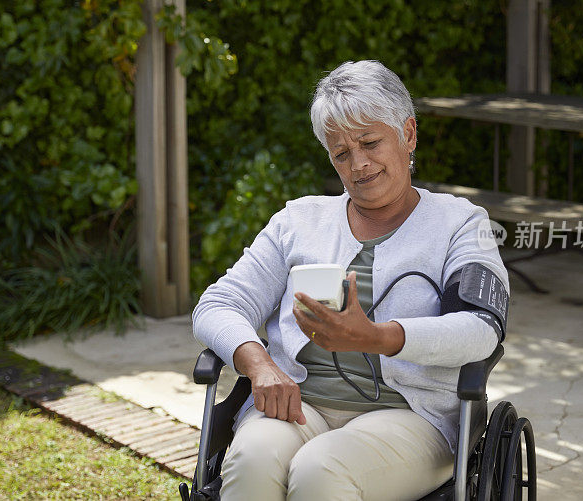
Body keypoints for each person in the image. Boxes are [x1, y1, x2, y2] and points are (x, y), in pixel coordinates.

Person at [193, 60, 509, 501]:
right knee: (251, 461)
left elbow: (480, 329)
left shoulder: (461, 225)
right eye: (341, 152)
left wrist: (379, 337)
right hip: (299, 403)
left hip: (411, 416)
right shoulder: (298, 221)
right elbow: (218, 304)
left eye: (370, 142)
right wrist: (259, 365)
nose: (358, 163)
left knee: (321, 470)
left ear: (409, 134)